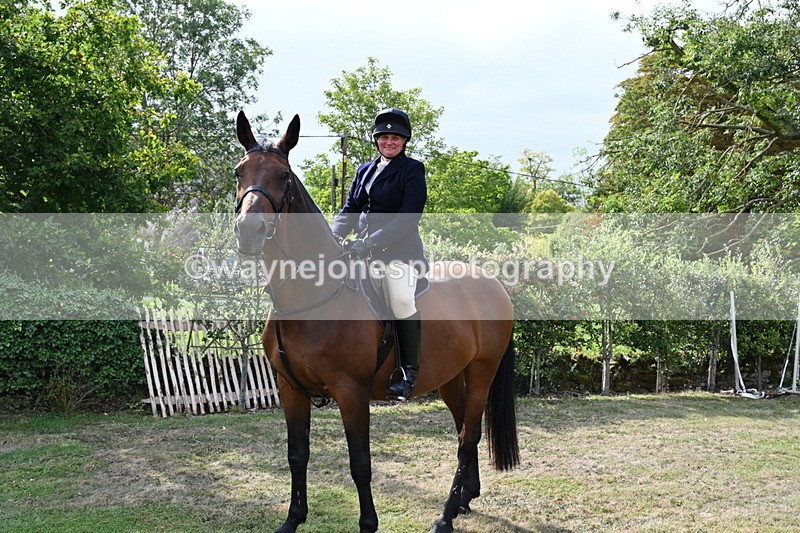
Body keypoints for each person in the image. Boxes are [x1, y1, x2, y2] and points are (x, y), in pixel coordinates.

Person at [332, 108, 427, 401]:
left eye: (395, 138)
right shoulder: (365, 171)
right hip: (364, 254)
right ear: (376, 140)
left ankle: (408, 374)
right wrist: (334, 235)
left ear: (404, 141)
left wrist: (369, 242)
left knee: (399, 298)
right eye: (384, 137)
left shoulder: (412, 170)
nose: (390, 142)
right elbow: (351, 209)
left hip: (400, 255)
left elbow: (408, 217)